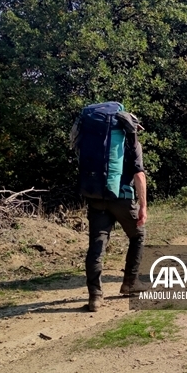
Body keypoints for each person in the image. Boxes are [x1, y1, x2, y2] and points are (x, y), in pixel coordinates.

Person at [72, 103, 148, 312]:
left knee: (96, 247)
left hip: (96, 197)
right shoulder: (130, 143)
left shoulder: (94, 139)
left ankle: (95, 296)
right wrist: (143, 206)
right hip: (122, 199)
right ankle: (130, 283)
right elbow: (139, 175)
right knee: (138, 235)